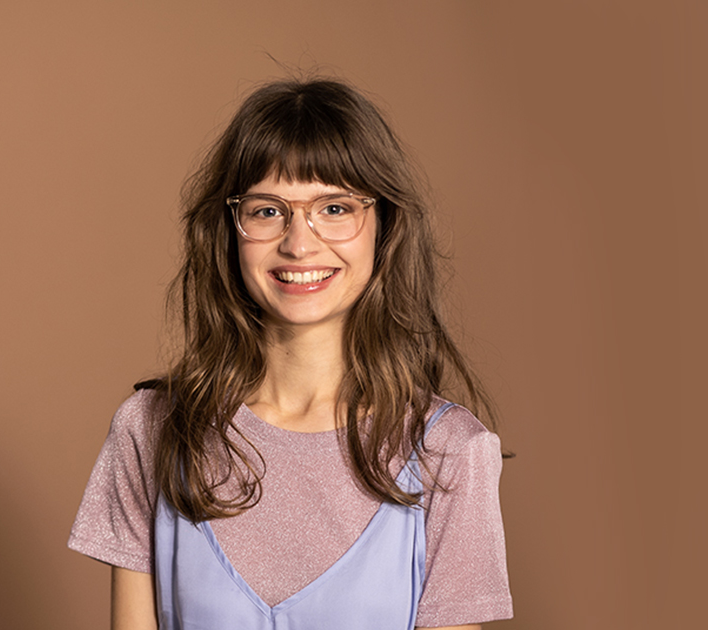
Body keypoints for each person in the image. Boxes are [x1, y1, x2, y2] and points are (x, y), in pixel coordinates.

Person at [68, 78, 513, 630]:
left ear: (385, 225)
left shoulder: (451, 452)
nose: (299, 244)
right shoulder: (151, 431)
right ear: (230, 230)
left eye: (334, 207)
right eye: (267, 211)